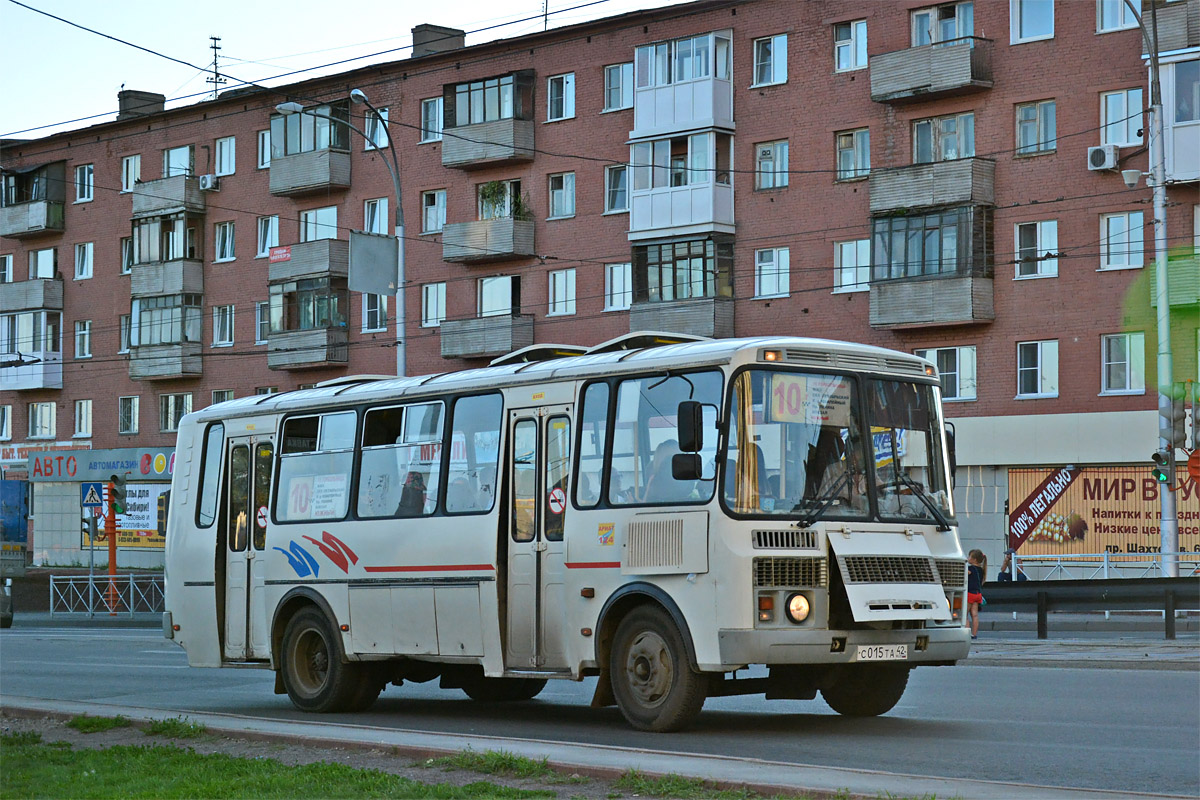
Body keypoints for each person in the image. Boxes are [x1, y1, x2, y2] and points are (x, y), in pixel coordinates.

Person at [967, 549, 987, 640]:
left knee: (965, 614)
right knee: (975, 615)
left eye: (969, 556)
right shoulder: (981, 570)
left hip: (970, 593)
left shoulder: (970, 569)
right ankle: (974, 634)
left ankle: (967, 633)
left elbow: (965, 573)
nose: (968, 558)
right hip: (978, 594)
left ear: (974, 560)